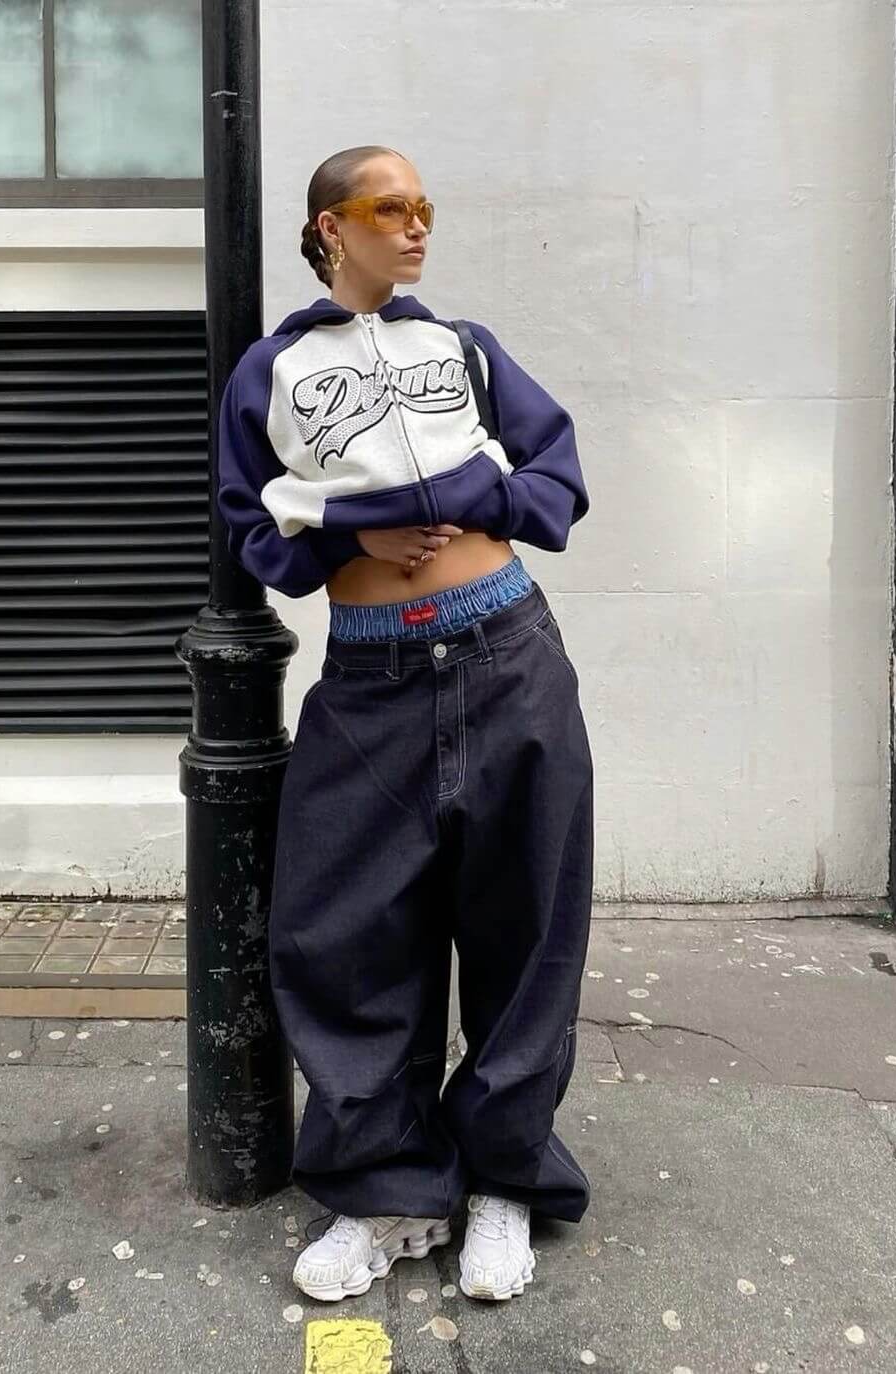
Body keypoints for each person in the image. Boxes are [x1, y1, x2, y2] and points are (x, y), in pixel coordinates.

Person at [215, 144, 595, 1304]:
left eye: (427, 206)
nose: (418, 225)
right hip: (371, 678)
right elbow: (252, 525)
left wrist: (474, 498)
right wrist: (349, 542)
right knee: (342, 932)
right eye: (393, 208)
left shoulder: (463, 348)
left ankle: (501, 1184)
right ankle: (384, 1192)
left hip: (505, 652)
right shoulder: (272, 370)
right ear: (333, 227)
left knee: (523, 924)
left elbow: (557, 471)